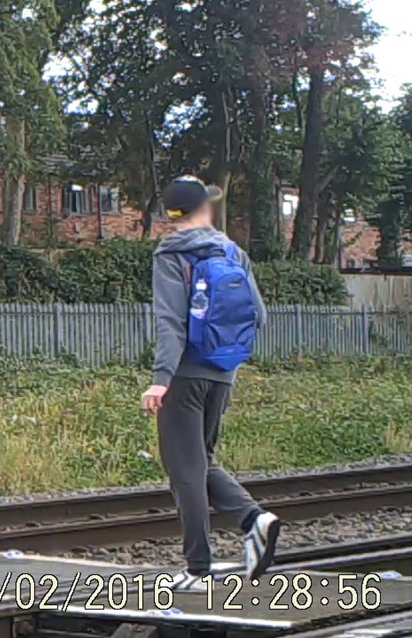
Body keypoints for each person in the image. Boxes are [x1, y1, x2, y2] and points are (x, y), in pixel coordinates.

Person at [142, 176, 281, 590]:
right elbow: (259, 316)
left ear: (170, 215)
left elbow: (170, 323)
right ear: (205, 208)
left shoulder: (170, 254)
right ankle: (254, 519)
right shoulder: (233, 251)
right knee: (200, 459)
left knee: (185, 469)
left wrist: (159, 379)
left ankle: (198, 568)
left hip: (184, 374)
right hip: (224, 372)